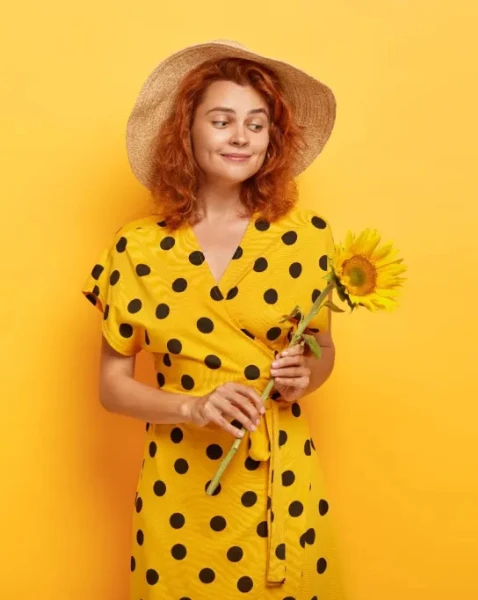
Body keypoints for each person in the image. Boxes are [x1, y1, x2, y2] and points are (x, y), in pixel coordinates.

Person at [82, 40, 346, 599]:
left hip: (284, 482)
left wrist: (308, 373)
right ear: (188, 132)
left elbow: (322, 350)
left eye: (256, 123)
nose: (240, 136)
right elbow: (111, 387)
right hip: (180, 490)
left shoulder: (309, 237)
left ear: (273, 138)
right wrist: (192, 406)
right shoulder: (138, 246)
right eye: (222, 120)